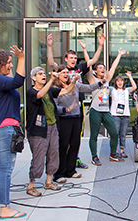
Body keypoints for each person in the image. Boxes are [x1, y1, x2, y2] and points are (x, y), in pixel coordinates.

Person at [47, 34, 106, 169]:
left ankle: (74, 159)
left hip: (78, 104)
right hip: (64, 104)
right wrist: (49, 46)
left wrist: (101, 45)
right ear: (66, 59)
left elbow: (93, 60)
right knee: (64, 136)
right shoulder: (63, 70)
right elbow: (51, 63)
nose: (73, 60)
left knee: (76, 135)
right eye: (71, 58)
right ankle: (63, 163)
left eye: (75, 58)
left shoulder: (79, 68)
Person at [0, 46, 27, 219]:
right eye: (9, 63)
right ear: (0, 64)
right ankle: (5, 208)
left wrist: (12, 68)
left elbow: (12, 83)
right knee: (5, 168)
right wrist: (22, 59)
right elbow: (18, 81)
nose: (11, 66)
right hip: (4, 128)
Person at [25, 67, 78, 196]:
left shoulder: (49, 90)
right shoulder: (31, 91)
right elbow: (40, 95)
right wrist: (51, 80)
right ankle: (31, 185)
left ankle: (49, 181)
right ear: (33, 78)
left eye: (44, 73)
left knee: (53, 154)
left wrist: (74, 81)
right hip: (38, 129)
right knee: (38, 158)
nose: (43, 75)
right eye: (40, 74)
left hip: (52, 126)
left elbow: (65, 90)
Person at [52, 65, 103, 183]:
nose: (66, 74)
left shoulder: (75, 85)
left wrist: (101, 83)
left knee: (75, 144)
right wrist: (66, 109)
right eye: (63, 72)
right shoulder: (55, 88)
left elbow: (89, 87)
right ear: (58, 75)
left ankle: (71, 170)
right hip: (64, 119)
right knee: (63, 145)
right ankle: (59, 173)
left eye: (67, 72)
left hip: (76, 118)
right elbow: (54, 106)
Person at [88, 50, 127, 165]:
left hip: (106, 111)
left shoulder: (107, 80)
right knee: (94, 135)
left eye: (103, 68)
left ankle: (113, 155)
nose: (102, 69)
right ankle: (94, 157)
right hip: (95, 110)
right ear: (95, 71)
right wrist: (85, 50)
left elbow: (113, 67)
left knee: (114, 133)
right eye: (100, 68)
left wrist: (119, 55)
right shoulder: (93, 80)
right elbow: (89, 65)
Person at [110, 71, 137, 158]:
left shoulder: (126, 90)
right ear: (115, 82)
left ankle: (122, 150)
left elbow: (134, 87)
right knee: (115, 133)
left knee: (123, 134)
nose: (120, 83)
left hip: (125, 115)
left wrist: (130, 76)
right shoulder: (112, 90)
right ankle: (116, 151)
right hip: (115, 115)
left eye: (121, 81)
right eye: (118, 81)